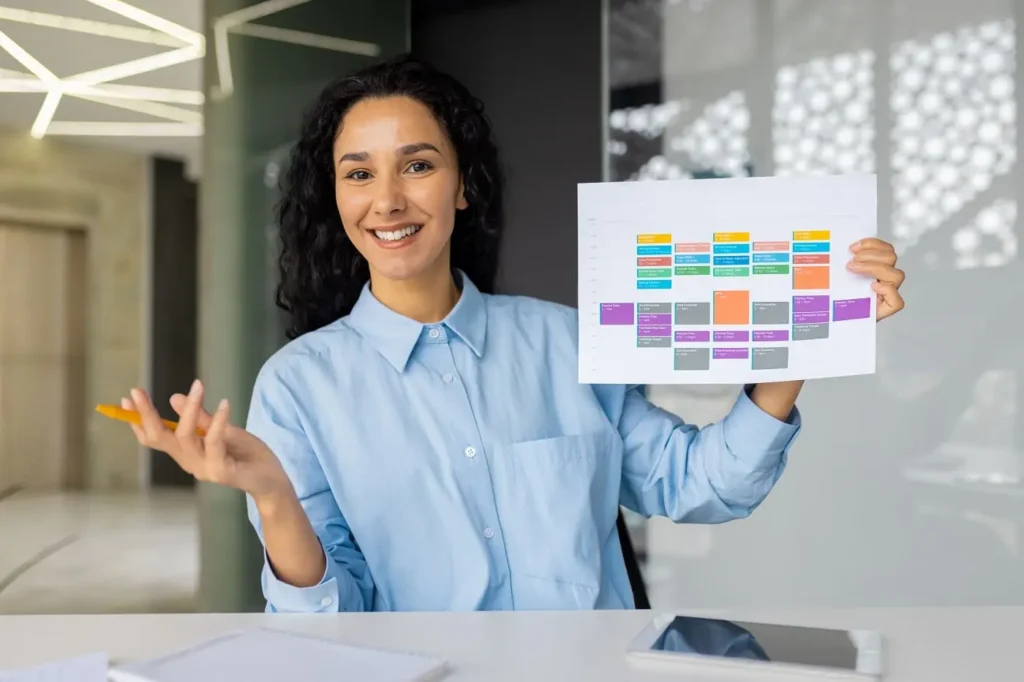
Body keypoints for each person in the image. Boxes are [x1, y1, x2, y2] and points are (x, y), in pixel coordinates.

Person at [123, 56, 907, 613]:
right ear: (336, 198)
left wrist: (805, 325)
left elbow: (698, 484)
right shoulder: (299, 385)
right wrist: (271, 494)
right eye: (359, 173)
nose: (388, 199)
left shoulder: (568, 343)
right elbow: (331, 616)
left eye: (418, 165)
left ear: (464, 184)